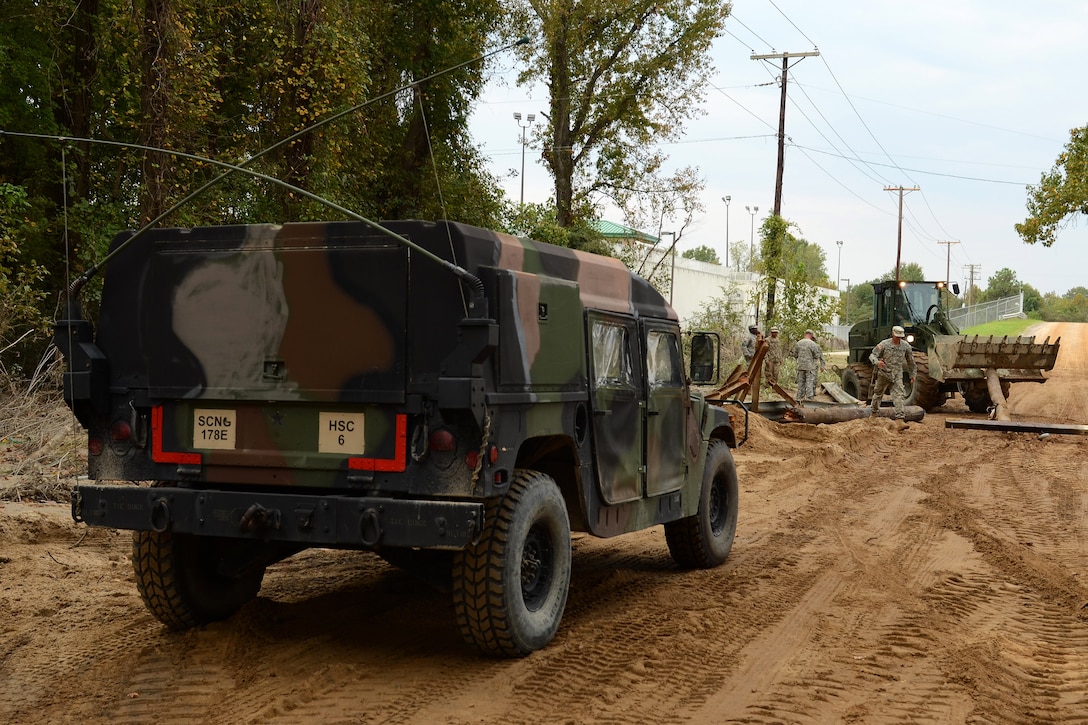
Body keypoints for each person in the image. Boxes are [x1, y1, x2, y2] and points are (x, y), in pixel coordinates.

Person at [869, 325, 917, 419]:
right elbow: (872, 355)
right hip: (884, 373)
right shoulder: (884, 344)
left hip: (897, 375)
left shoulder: (905, 346)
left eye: (900, 337)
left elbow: (911, 362)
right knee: (878, 394)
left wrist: (912, 374)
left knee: (899, 395)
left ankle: (900, 419)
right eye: (896, 336)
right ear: (892, 334)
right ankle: (873, 414)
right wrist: (877, 362)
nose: (898, 339)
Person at [791, 329, 825, 402]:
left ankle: (799, 398)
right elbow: (816, 355)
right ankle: (809, 399)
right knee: (809, 383)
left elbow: (794, 355)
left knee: (801, 383)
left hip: (800, 366)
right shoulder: (812, 344)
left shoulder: (798, 343)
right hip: (809, 367)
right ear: (811, 335)